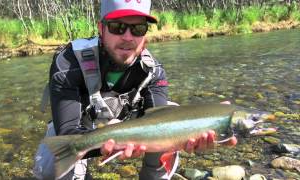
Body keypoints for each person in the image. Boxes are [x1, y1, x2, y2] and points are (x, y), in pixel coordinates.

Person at [33, 0, 235, 179]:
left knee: (173, 117)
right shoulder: (69, 63)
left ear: (145, 36)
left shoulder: (153, 71)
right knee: (52, 165)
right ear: (101, 29)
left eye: (138, 28)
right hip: (82, 126)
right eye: (117, 27)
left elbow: (161, 120)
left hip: (133, 124)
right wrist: (114, 143)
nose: (128, 37)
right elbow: (68, 132)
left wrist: (206, 124)